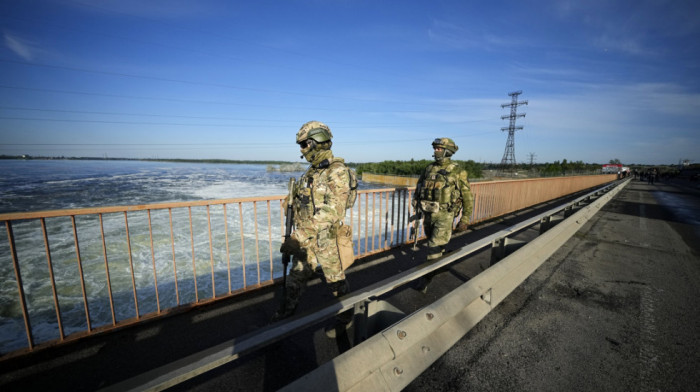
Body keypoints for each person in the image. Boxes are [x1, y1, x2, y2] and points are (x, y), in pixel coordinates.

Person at [273, 120, 354, 338]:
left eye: (304, 145)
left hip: (326, 239)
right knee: (296, 277)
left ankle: (346, 316)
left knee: (335, 281)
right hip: (307, 239)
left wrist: (297, 236)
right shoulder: (311, 172)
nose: (302, 150)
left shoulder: (336, 172)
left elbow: (333, 211)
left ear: (316, 142)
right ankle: (286, 313)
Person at [412, 137, 474, 293]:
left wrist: (465, 219)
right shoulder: (428, 168)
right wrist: (416, 203)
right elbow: (419, 187)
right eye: (435, 148)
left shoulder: (458, 171)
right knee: (433, 243)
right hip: (428, 213)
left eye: (439, 149)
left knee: (433, 247)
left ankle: (426, 278)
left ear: (447, 151)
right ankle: (441, 264)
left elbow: (467, 197)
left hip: (445, 215)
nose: (436, 151)